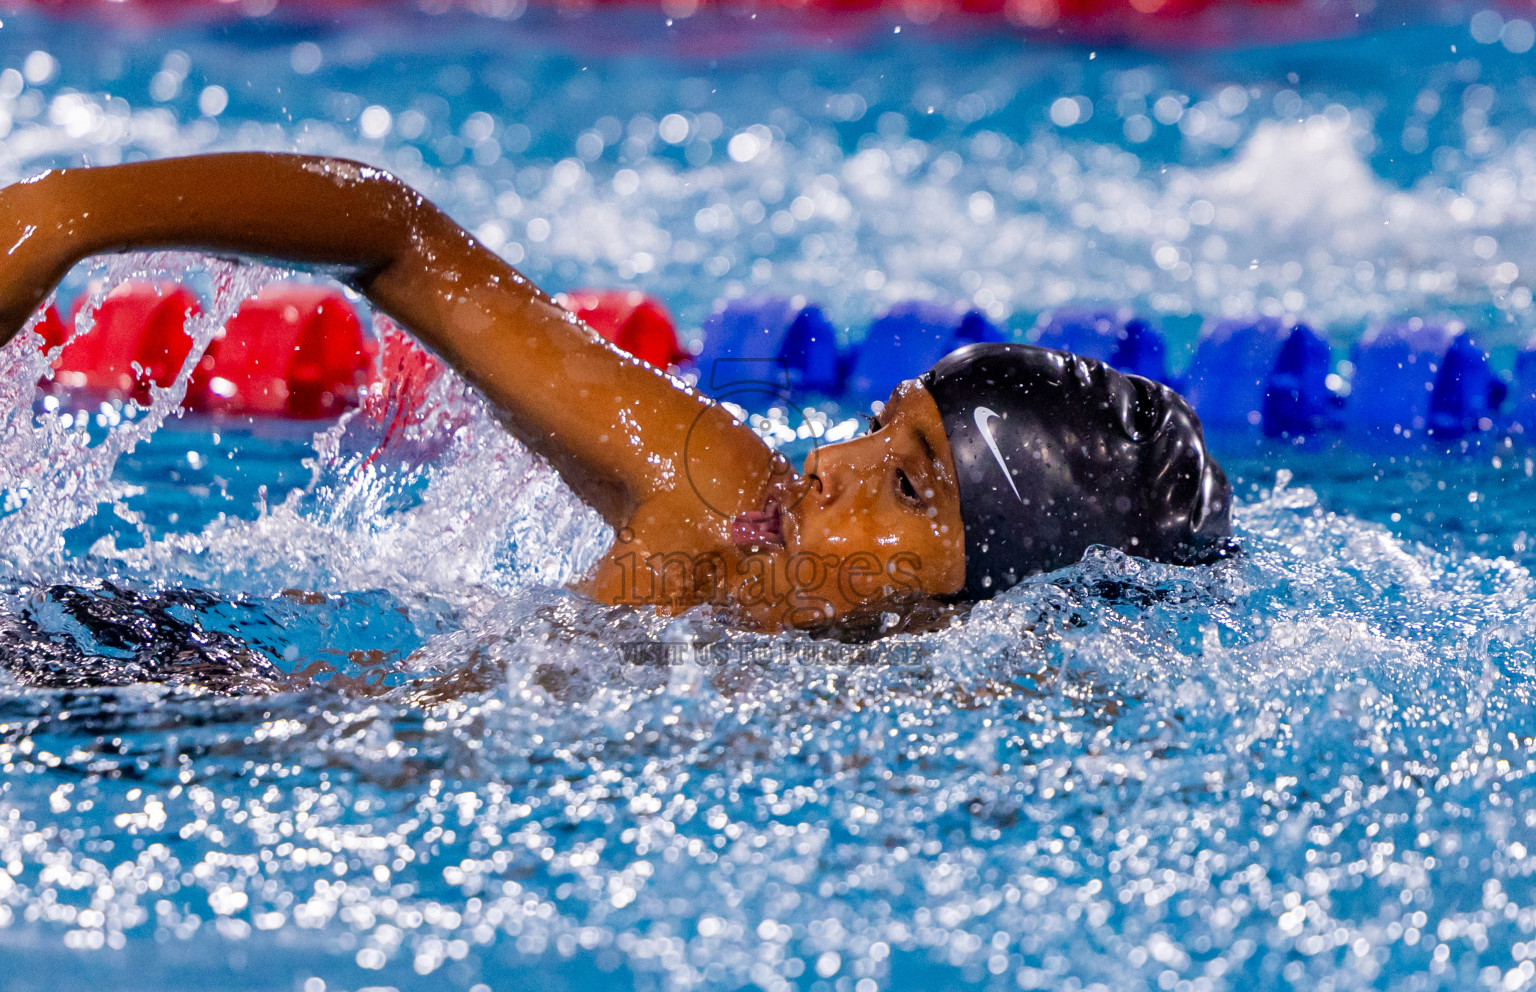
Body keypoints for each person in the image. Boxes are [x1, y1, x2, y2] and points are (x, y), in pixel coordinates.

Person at [0, 153, 1233, 633]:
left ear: (998, 593)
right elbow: (403, 243)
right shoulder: (720, 513)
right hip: (183, 691)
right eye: (874, 428)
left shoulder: (970, 724)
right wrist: (62, 221)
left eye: (907, 483)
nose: (831, 465)